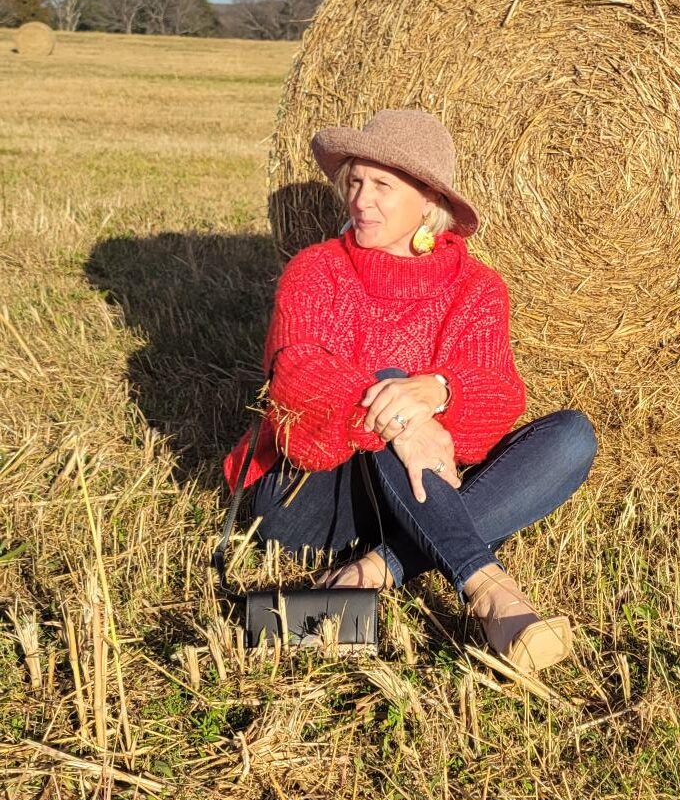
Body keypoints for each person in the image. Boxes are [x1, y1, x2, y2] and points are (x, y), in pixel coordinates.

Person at [223, 108, 596, 677]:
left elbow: (497, 399)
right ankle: (490, 592)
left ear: (428, 200)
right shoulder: (315, 271)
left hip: (419, 493)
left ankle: (373, 573)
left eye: (382, 185)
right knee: (391, 386)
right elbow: (295, 379)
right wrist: (404, 414)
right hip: (312, 498)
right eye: (355, 181)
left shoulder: (477, 289)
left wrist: (441, 391)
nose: (360, 200)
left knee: (571, 438)